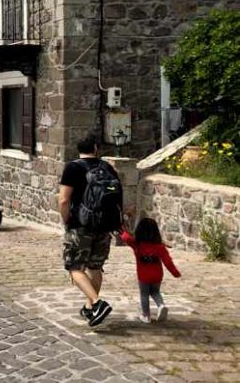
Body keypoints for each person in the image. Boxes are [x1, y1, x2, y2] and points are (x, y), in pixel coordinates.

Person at [59, 133, 121, 327]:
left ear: (79, 149)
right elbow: (118, 198)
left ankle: (97, 302)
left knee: (75, 268)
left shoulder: (73, 167)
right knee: (95, 267)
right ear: (96, 148)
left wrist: (66, 219)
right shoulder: (108, 168)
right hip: (104, 227)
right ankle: (89, 308)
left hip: (80, 225)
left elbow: (63, 199)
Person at [121, 218, 181, 323]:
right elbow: (168, 262)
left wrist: (123, 231)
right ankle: (161, 305)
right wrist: (175, 273)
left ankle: (146, 315)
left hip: (143, 276)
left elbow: (126, 238)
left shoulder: (137, 244)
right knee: (155, 292)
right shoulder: (160, 247)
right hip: (157, 275)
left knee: (144, 294)